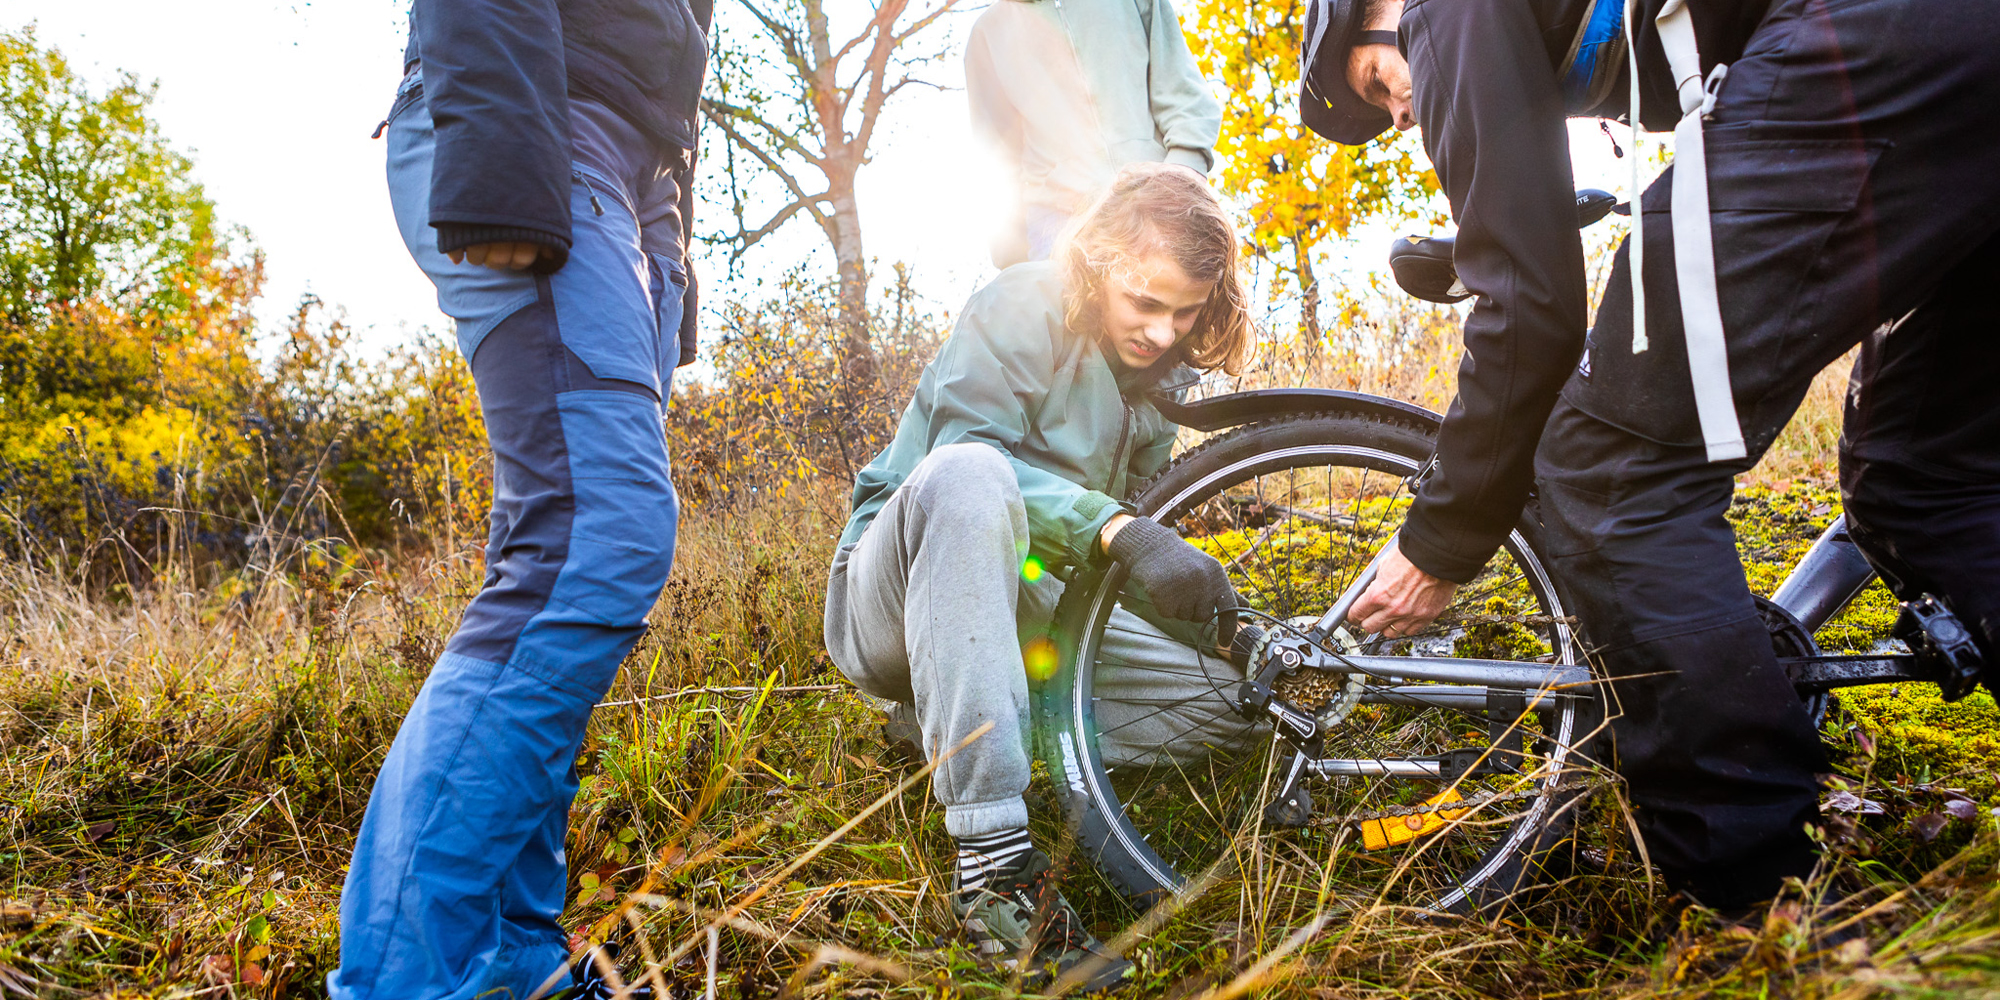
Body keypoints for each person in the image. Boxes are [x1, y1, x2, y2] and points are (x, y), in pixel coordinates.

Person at [1302, 0, 2000, 912]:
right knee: (1927, 484)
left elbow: (1532, 308)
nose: (1397, 113)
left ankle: (1767, 908)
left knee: (1610, 469)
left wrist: (1441, 539)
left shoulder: (1441, 9)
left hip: (1862, 45)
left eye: (1372, 82)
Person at [328, 0, 711, 996]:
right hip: (541, 123)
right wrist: (505, 149)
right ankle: (411, 976)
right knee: (596, 542)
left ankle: (511, 960)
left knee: (564, 546)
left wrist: (668, 248)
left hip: (629, 172)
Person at [823, 163, 1257, 990]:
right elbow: (965, 460)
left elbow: (1113, 568)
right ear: (1098, 264)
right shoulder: (1022, 304)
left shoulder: (1159, 388)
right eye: (1144, 302)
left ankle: (961, 719)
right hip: (893, 591)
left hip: (1035, 610)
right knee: (971, 478)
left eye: (1185, 312)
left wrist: (1223, 628)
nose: (1162, 332)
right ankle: (993, 867)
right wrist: (1118, 528)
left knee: (1238, 712)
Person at [965, 0, 1222, 268]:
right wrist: (1014, 262)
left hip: (1164, 204)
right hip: (1059, 232)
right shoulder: (988, 32)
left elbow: (1180, 86)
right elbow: (996, 161)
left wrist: (1184, 175)